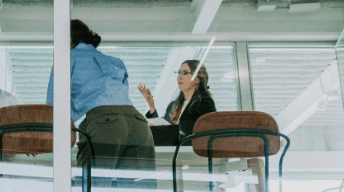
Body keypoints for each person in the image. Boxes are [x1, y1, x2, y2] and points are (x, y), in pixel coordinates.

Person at [46, 19, 155, 170]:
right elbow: (120, 99)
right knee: (139, 189)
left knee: (93, 188)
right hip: (138, 122)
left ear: (68, 38)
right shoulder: (115, 61)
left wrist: (40, 141)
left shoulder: (66, 58)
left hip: (105, 122)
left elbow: (53, 106)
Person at [139, 59, 216, 139]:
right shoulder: (173, 105)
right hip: (172, 149)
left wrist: (169, 130)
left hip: (190, 149)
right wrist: (151, 106)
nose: (179, 77)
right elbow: (165, 124)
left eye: (184, 73)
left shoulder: (205, 103)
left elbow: (200, 134)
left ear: (197, 79)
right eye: (179, 73)